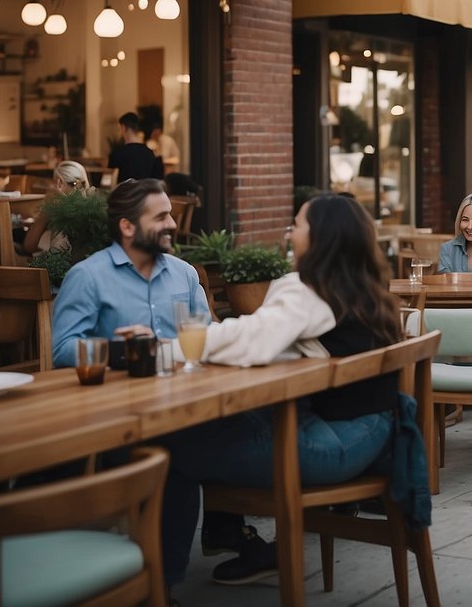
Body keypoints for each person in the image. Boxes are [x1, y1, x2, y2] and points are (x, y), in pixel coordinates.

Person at [149, 194, 404, 591]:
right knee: (219, 423)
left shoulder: (310, 288)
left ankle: (158, 586)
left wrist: (162, 349)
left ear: (321, 236)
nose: (289, 231)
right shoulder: (361, 286)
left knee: (165, 446)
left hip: (336, 448)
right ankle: (226, 534)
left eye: (297, 224)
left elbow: (256, 339)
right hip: (373, 435)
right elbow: (284, 341)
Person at [51, 179, 208, 367]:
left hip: (184, 387)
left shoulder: (185, 273)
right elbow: (62, 350)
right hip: (120, 392)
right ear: (127, 226)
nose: (173, 224)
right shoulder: (86, 276)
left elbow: (208, 333)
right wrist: (120, 351)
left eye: (170, 215)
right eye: (161, 217)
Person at [21, 160, 92, 256]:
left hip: (57, 265)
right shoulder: (93, 206)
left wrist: (47, 208)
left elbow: (29, 246)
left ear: (59, 183)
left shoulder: (58, 208)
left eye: (53, 182)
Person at [107, 112, 163, 181]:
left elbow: (108, 180)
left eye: (119, 129)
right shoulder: (150, 154)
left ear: (123, 127)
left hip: (124, 191)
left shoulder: (117, 154)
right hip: (144, 191)